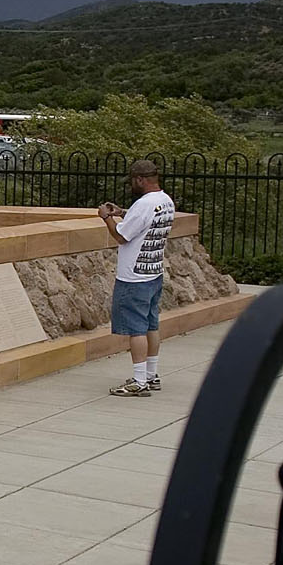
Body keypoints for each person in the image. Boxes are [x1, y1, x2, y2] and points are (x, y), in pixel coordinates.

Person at [98, 159, 175, 397]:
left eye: (133, 180)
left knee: (136, 329)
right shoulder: (165, 201)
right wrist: (122, 212)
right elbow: (144, 221)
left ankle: (139, 380)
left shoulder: (144, 204)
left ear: (140, 180)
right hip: (153, 272)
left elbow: (121, 235)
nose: (132, 184)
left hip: (134, 276)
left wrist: (106, 217)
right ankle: (151, 375)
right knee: (151, 324)